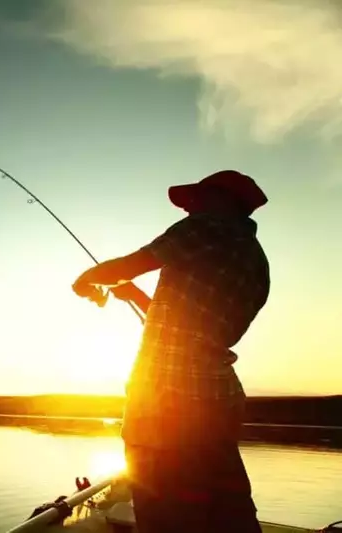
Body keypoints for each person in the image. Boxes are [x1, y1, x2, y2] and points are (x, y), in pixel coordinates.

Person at [72, 170, 271, 533]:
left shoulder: (204, 229)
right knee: (228, 504)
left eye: (199, 200)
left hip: (166, 399)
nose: (191, 210)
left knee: (161, 509)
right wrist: (132, 294)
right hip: (219, 398)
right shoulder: (257, 262)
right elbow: (197, 327)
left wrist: (88, 279)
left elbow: (132, 263)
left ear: (224, 202)